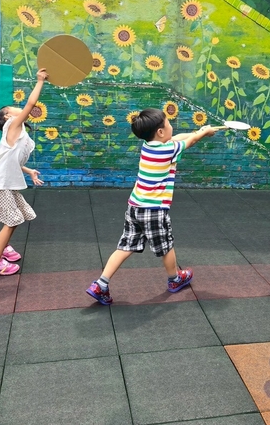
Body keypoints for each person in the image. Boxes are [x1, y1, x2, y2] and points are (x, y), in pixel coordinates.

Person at [86, 108, 215, 305]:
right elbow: (189, 142)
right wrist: (203, 134)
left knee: (125, 246)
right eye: (169, 123)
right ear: (160, 132)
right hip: (154, 210)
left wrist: (199, 131)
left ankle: (100, 284)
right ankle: (175, 279)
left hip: (135, 207)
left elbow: (178, 138)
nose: (172, 126)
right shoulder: (168, 150)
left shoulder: (148, 145)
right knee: (166, 246)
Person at [0, 68, 49, 276]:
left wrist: (29, 171)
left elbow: (11, 160)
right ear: (7, 116)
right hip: (1, 184)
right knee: (12, 221)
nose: (17, 108)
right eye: (12, 108)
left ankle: (4, 248)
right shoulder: (12, 125)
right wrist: (40, 81)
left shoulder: (18, 133)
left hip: (6, 182)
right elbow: (31, 104)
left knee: (16, 218)